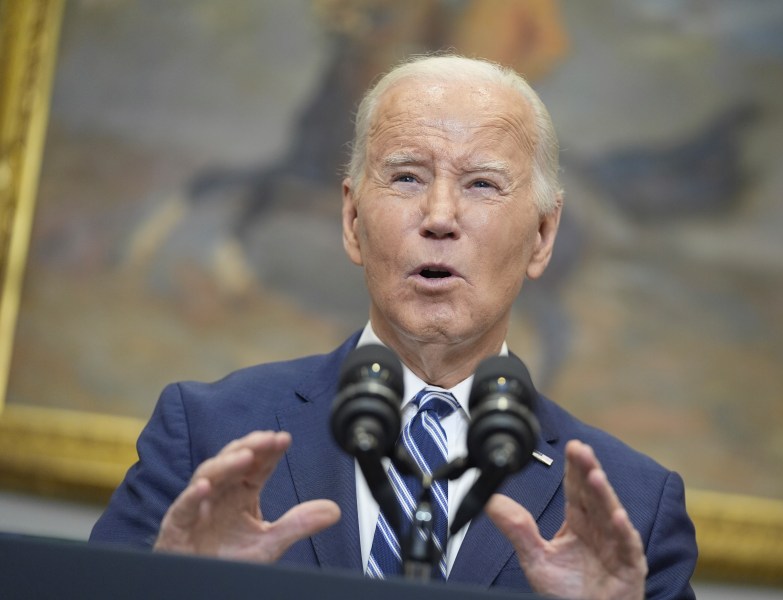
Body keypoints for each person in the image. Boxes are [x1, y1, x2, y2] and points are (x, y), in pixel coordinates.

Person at [90, 54, 698, 599]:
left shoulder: (636, 507)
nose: (439, 217)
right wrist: (172, 592)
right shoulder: (204, 435)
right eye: (407, 177)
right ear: (353, 220)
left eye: (482, 184)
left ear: (543, 236)